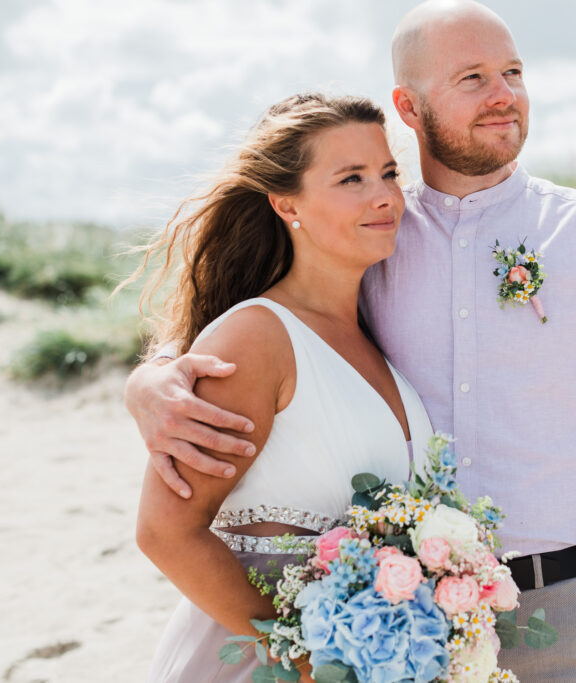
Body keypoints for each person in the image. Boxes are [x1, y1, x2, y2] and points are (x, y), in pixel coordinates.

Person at [126, 1, 576, 680]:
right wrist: (153, 377)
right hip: (406, 620)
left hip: (564, 607)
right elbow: (255, 327)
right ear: (410, 105)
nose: (503, 95)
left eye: (514, 72)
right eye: (473, 78)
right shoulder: (376, 242)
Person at [131, 93, 435, 681]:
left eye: (389, 173)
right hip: (264, 659)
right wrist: (302, 657)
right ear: (285, 203)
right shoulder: (257, 336)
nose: (385, 196)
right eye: (351, 178)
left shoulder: (375, 335)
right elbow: (166, 532)